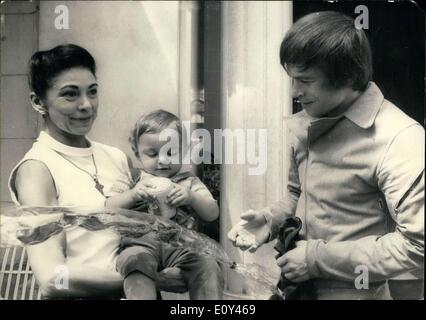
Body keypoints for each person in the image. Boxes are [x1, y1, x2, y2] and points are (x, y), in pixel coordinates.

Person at [227, 11, 424, 300]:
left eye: (305, 80)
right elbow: (298, 195)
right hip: (298, 289)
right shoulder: (309, 121)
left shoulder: (401, 138)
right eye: (292, 79)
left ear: (346, 76)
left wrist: (316, 260)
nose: (294, 91)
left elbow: (418, 245)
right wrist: (271, 221)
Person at [8, 44, 155, 298]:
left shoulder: (115, 157)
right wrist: (146, 281)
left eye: (93, 92)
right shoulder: (37, 170)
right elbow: (53, 278)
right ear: (38, 102)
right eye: (70, 94)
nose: (86, 105)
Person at [105, 109, 224, 300]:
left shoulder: (188, 181)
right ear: (137, 153)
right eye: (152, 154)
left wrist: (191, 197)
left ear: (184, 151)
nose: (163, 160)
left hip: (182, 245)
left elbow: (212, 212)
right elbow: (109, 207)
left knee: (207, 263)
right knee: (134, 262)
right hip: (140, 243)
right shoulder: (133, 177)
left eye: (171, 152)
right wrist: (133, 195)